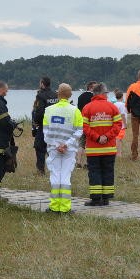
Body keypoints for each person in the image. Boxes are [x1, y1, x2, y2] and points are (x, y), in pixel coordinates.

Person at [43, 83, 83, 213]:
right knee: (65, 177)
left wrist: (56, 145)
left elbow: (46, 132)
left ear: (58, 94)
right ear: (70, 95)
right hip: (69, 150)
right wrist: (66, 144)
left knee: (55, 176)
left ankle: (54, 206)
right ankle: (65, 208)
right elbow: (79, 131)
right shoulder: (75, 111)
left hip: (54, 149)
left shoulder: (49, 110)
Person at [82, 82, 122, 206]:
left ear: (94, 93)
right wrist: (106, 137)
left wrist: (98, 138)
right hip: (109, 148)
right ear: (102, 93)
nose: (107, 95)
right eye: (106, 93)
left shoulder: (87, 108)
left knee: (94, 172)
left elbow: (84, 127)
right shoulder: (112, 107)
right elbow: (118, 125)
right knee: (108, 171)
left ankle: (96, 199)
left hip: (93, 149)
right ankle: (106, 198)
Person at [32, 76, 59, 174]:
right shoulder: (56, 95)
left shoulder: (40, 95)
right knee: (53, 147)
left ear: (42, 84)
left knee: (39, 147)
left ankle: (40, 169)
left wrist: (36, 123)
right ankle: (56, 168)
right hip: (55, 125)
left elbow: (39, 112)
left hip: (44, 125)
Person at [75, 81, 97, 167]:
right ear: (91, 88)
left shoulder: (80, 96)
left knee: (81, 143)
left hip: (82, 121)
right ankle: (88, 163)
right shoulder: (94, 97)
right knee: (90, 142)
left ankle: (78, 162)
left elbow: (78, 109)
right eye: (95, 87)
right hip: (91, 122)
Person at [113, 90, 128, 157]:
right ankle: (118, 153)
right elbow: (123, 115)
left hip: (115, 123)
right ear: (122, 97)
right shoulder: (122, 105)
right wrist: (125, 124)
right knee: (118, 139)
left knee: (118, 139)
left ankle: (119, 152)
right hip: (121, 124)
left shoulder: (114, 104)